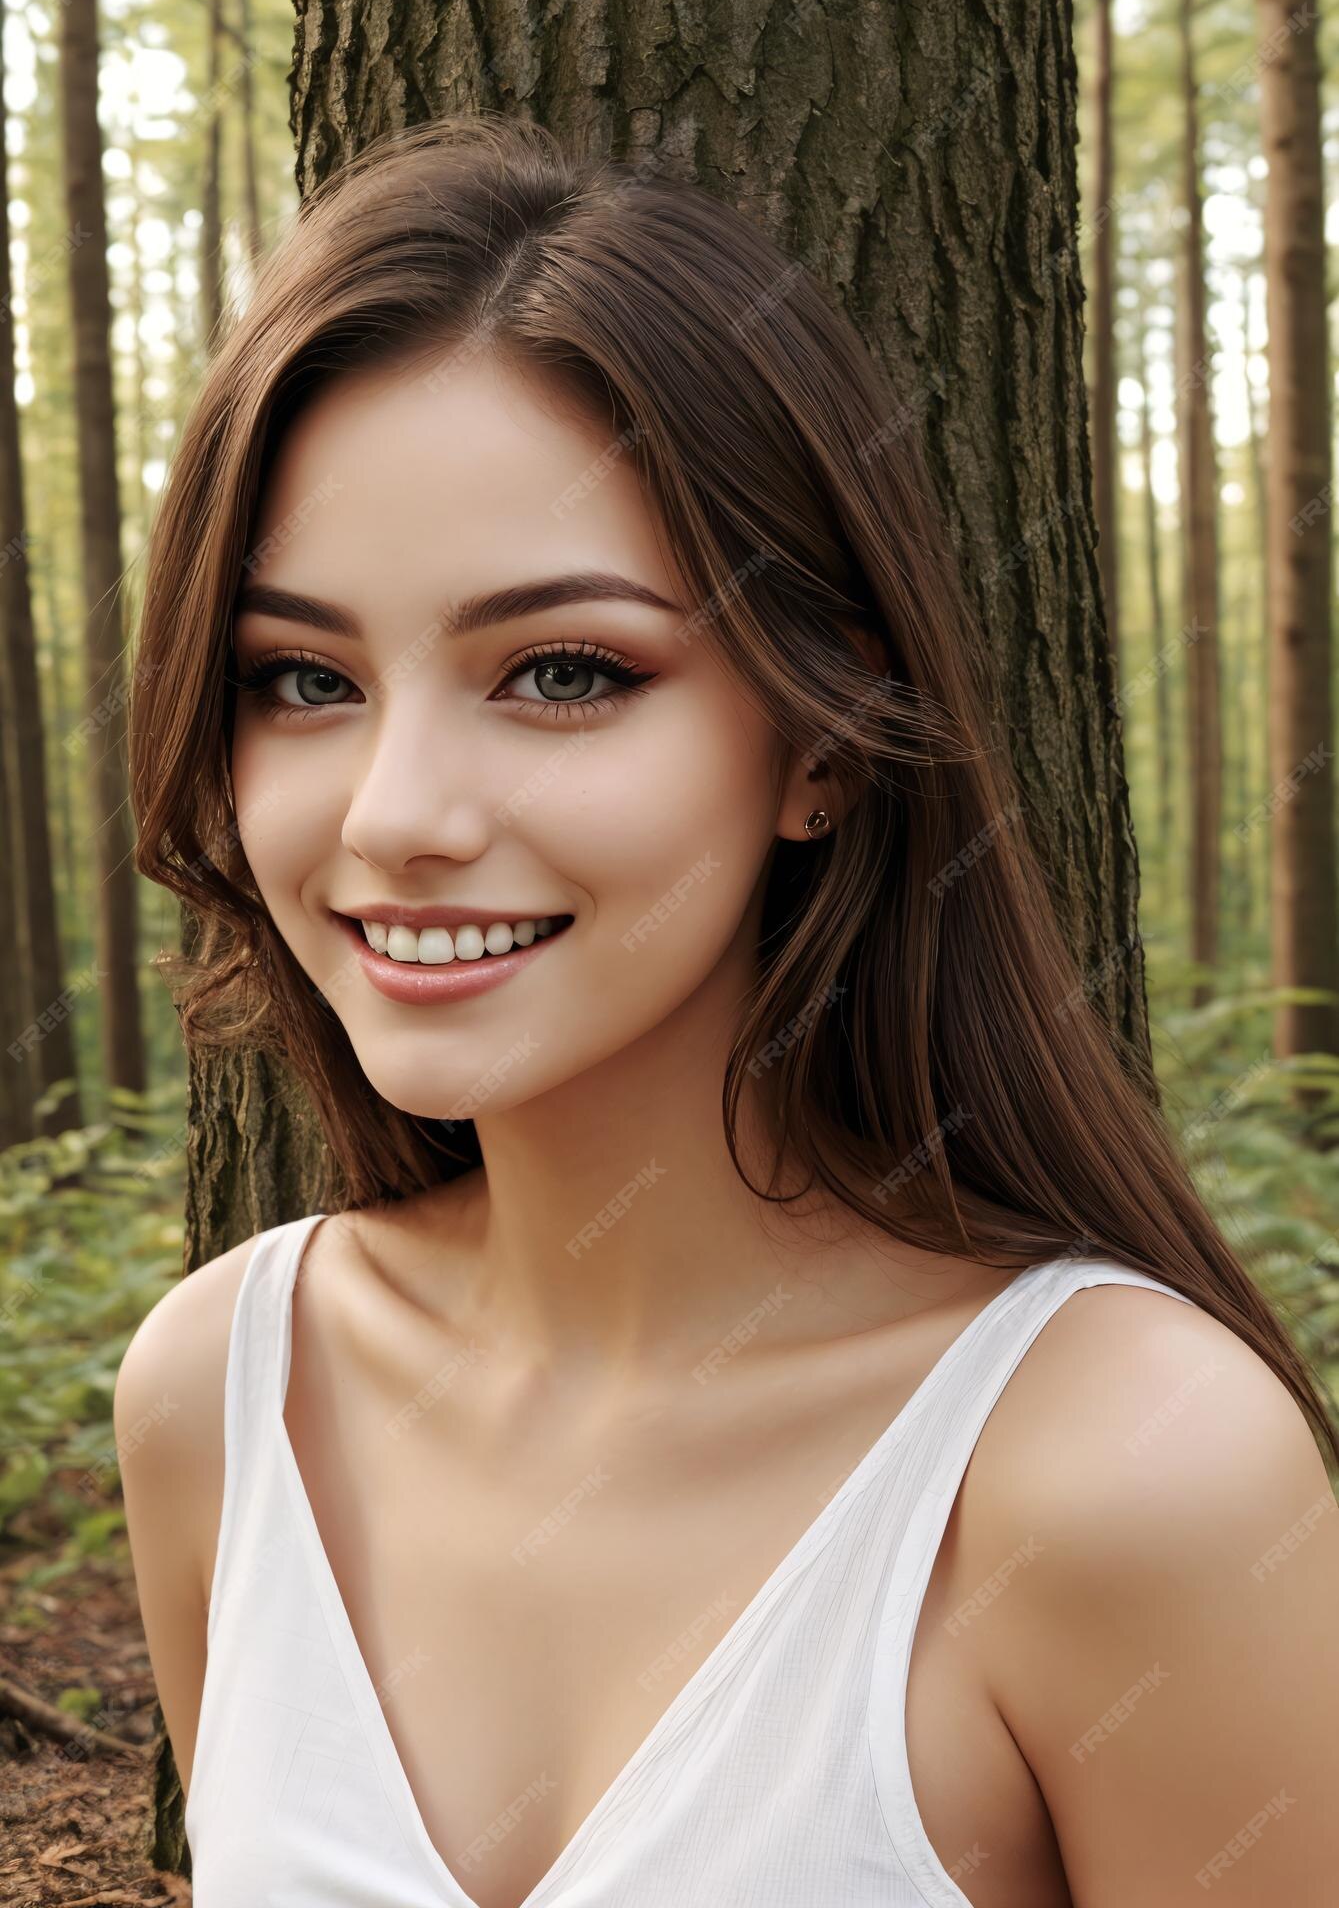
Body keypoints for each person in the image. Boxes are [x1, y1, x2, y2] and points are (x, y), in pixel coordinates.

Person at [115, 114, 1338, 1908]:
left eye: (562, 671)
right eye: (304, 679)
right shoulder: (225, 1392)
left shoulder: (1125, 1477)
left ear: (824, 744)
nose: (394, 816)